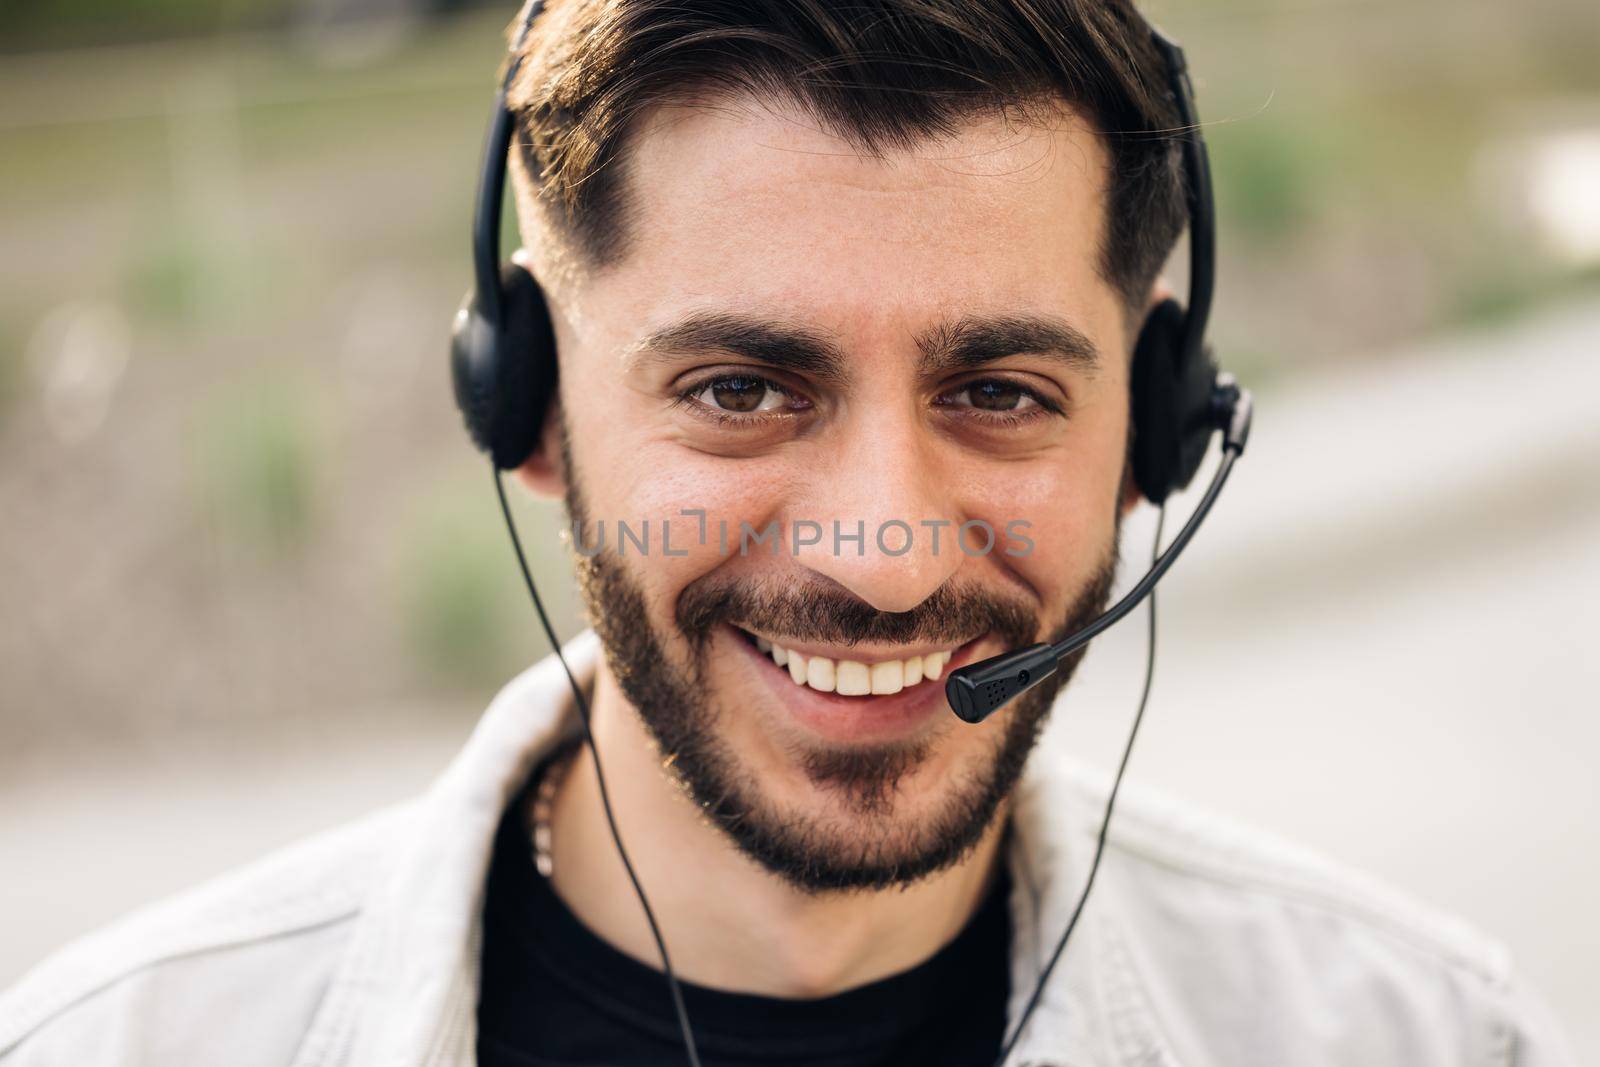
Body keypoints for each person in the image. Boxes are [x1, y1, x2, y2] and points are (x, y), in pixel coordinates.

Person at [0, 1, 1577, 1065]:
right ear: (532, 402)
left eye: (1003, 390)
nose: (881, 554)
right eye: (744, 387)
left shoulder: (1409, 1032)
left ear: (1159, 421)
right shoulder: (123, 1044)